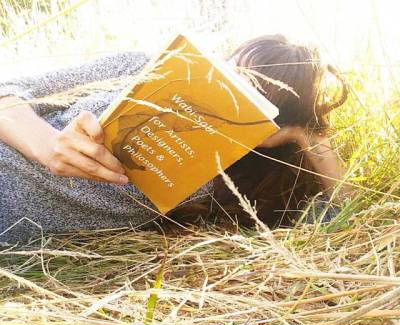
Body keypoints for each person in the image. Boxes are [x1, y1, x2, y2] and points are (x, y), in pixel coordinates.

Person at [0, 34, 348, 244]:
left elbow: (343, 216)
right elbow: (7, 91)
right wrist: (46, 145)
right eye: (230, 75)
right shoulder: (139, 67)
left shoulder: (234, 185)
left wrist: (310, 136)